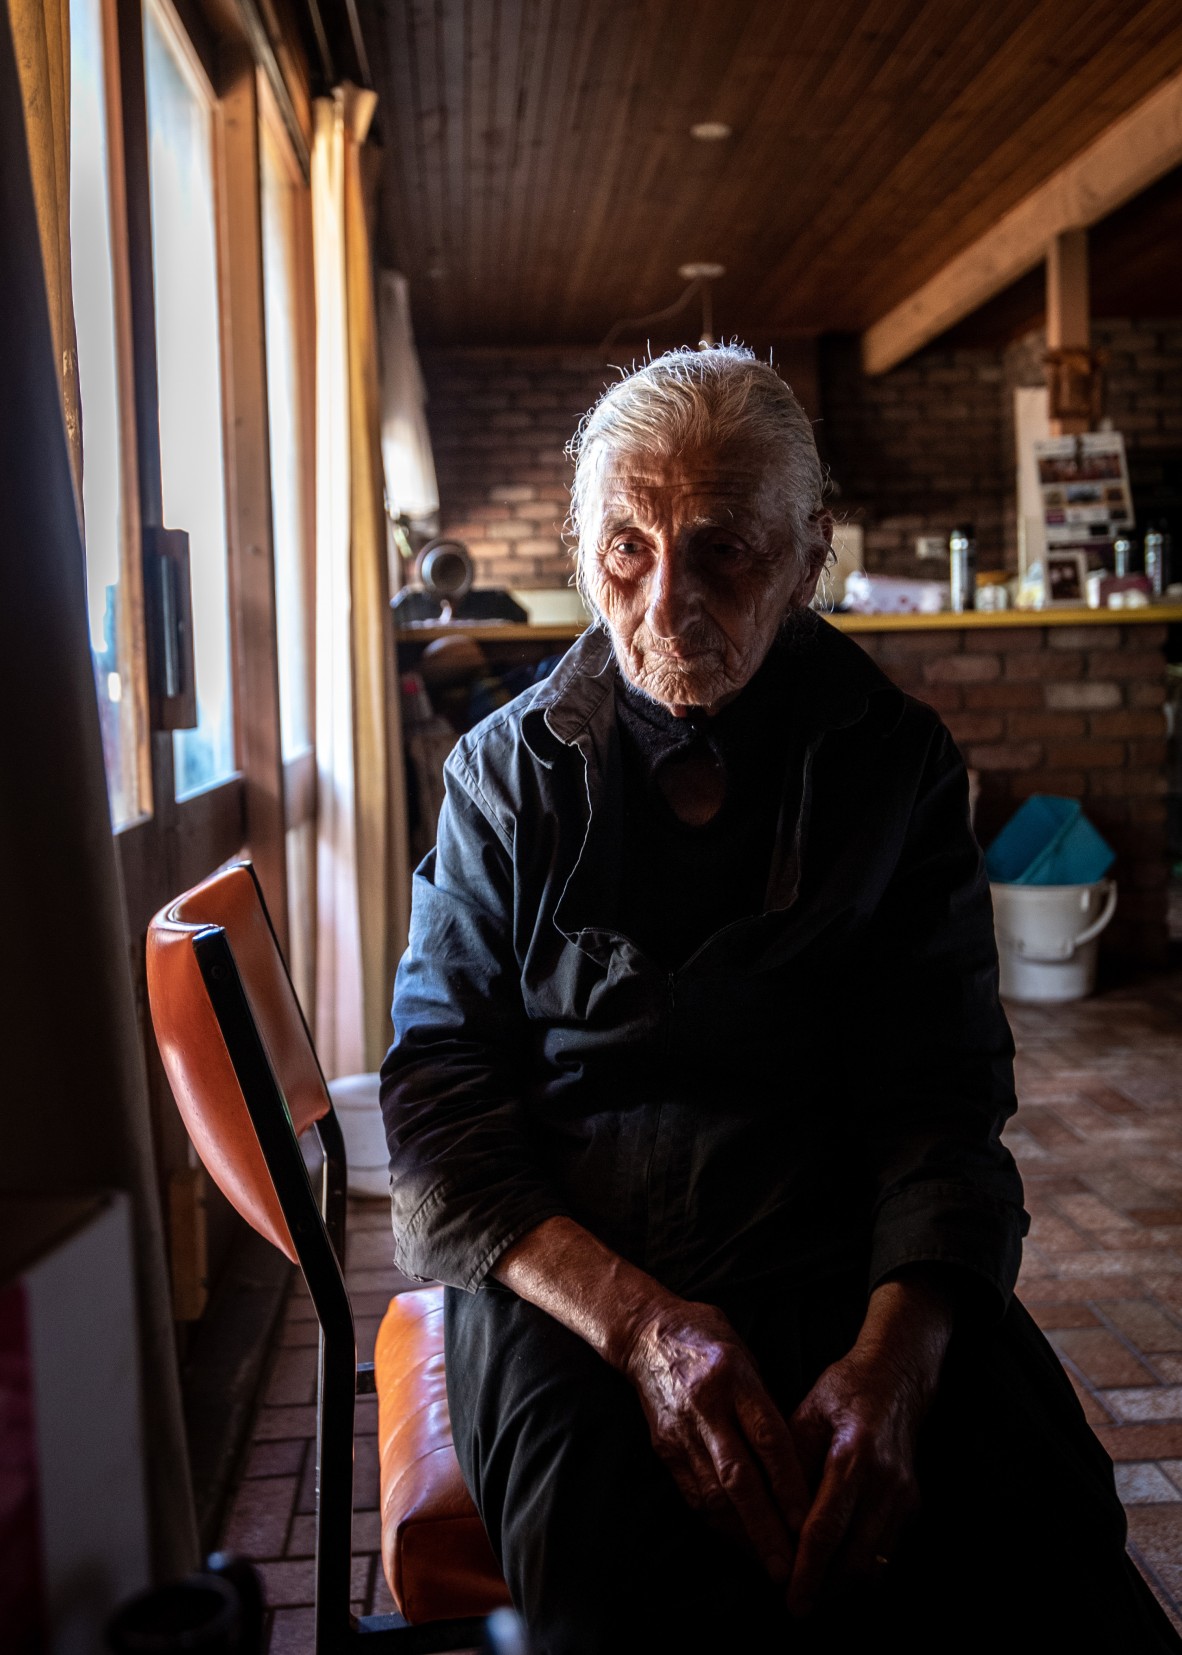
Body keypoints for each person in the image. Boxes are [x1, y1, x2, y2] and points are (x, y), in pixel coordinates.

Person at [381, 346, 1179, 1653]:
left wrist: (894, 1358)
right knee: (626, 1581)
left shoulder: (894, 762)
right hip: (580, 1280)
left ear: (808, 559)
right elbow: (436, 1106)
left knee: (1046, 1543)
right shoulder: (504, 779)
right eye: (626, 549)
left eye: (722, 552)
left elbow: (942, 1096)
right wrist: (641, 1328)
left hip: (840, 1250)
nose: (667, 602)